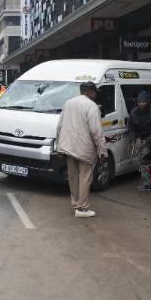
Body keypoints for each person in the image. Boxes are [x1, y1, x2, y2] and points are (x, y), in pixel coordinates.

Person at [56, 82, 107, 218]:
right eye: (95, 92)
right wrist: (102, 151)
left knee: (73, 178)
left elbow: (59, 126)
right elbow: (97, 132)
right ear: (90, 92)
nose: (95, 95)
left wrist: (58, 147)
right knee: (85, 178)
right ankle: (82, 208)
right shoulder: (92, 106)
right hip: (84, 149)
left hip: (67, 147)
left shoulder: (68, 103)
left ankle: (75, 203)